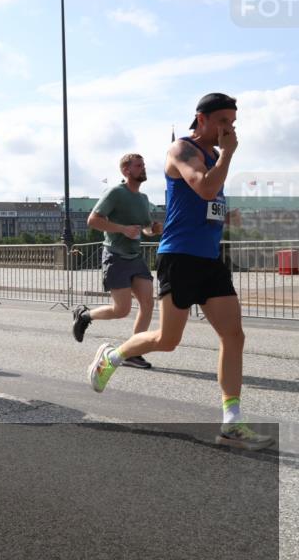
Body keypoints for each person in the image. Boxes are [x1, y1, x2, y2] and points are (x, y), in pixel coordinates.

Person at [87, 93, 273, 451]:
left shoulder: (215, 156)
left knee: (234, 335)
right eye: (222, 121)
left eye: (232, 123)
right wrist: (230, 155)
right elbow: (204, 186)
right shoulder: (182, 150)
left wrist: (228, 216)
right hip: (180, 257)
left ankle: (232, 422)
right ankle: (112, 356)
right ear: (201, 120)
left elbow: (210, 200)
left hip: (209, 260)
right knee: (167, 341)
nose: (228, 129)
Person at [71, 154, 161, 369]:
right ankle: (84, 316)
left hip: (135, 257)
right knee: (121, 310)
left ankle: (133, 352)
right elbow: (92, 220)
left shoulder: (143, 198)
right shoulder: (115, 193)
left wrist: (153, 230)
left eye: (144, 165)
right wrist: (122, 229)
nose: (143, 168)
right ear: (126, 171)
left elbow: (145, 228)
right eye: (139, 166)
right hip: (115, 256)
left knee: (147, 303)